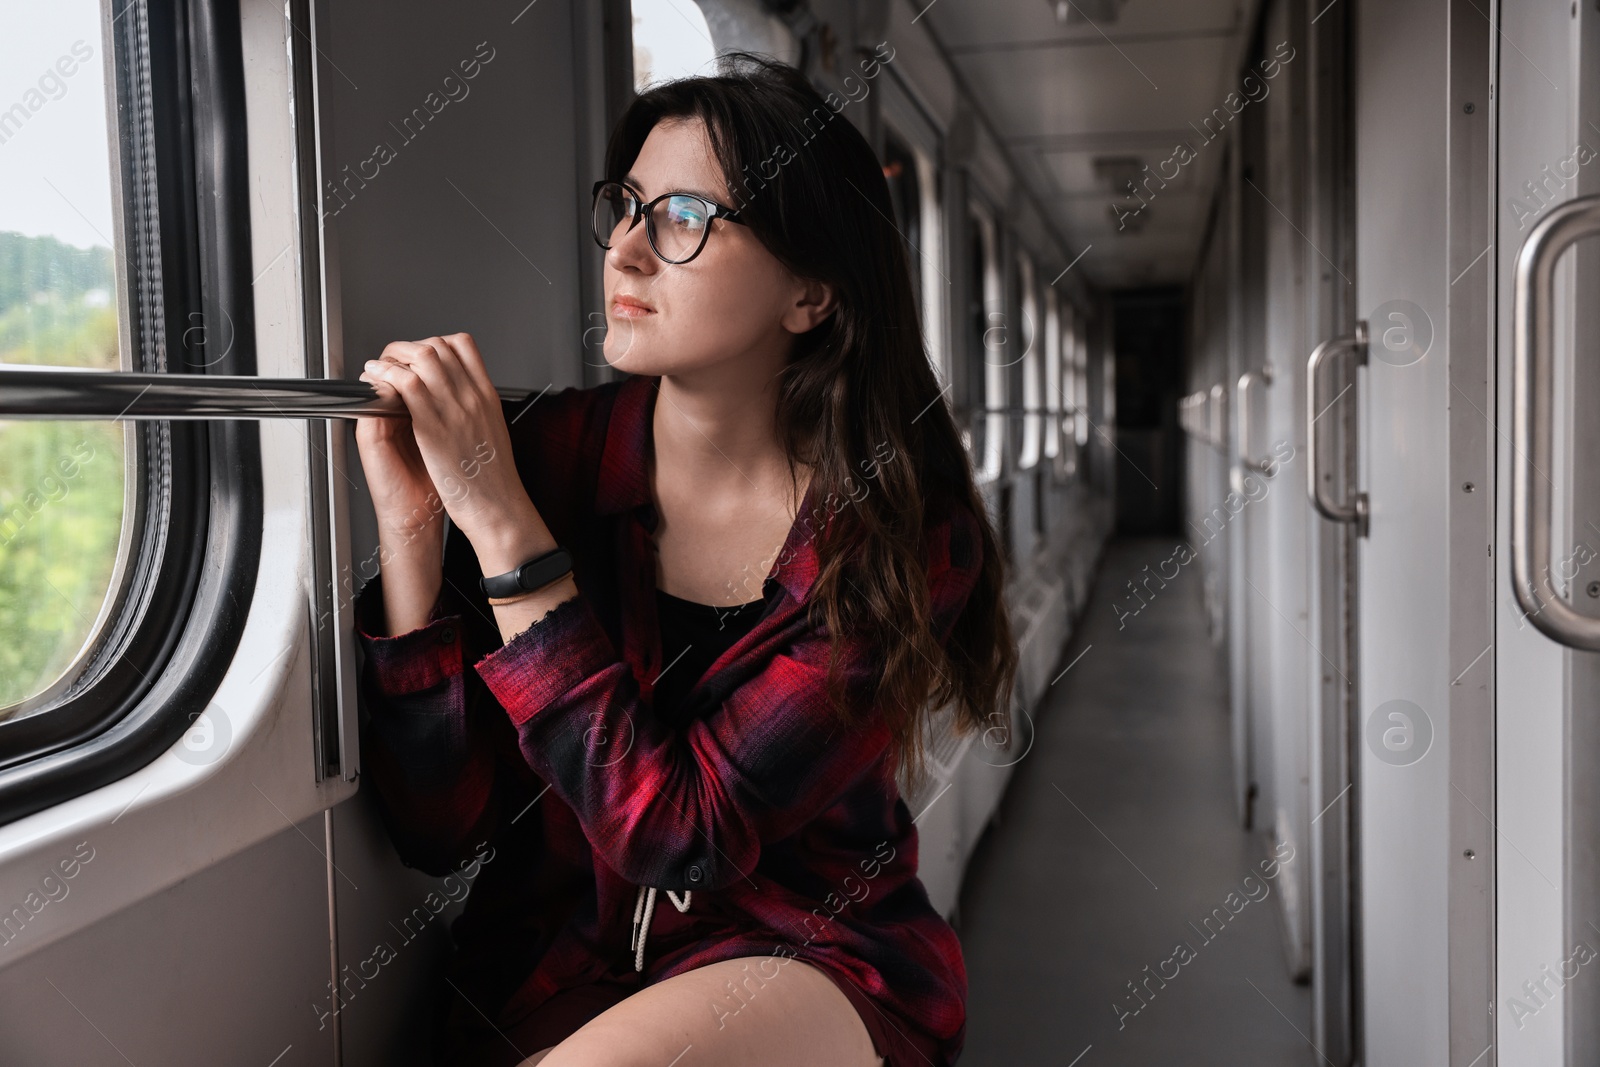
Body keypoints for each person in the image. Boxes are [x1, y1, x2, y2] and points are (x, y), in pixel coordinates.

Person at [351, 51, 1016, 1067]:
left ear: (810, 295)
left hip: (804, 949)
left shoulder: (896, 533)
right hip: (560, 962)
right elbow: (443, 826)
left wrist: (507, 535)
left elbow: (684, 836)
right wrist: (414, 530)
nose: (622, 252)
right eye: (625, 207)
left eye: (683, 218)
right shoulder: (549, 460)